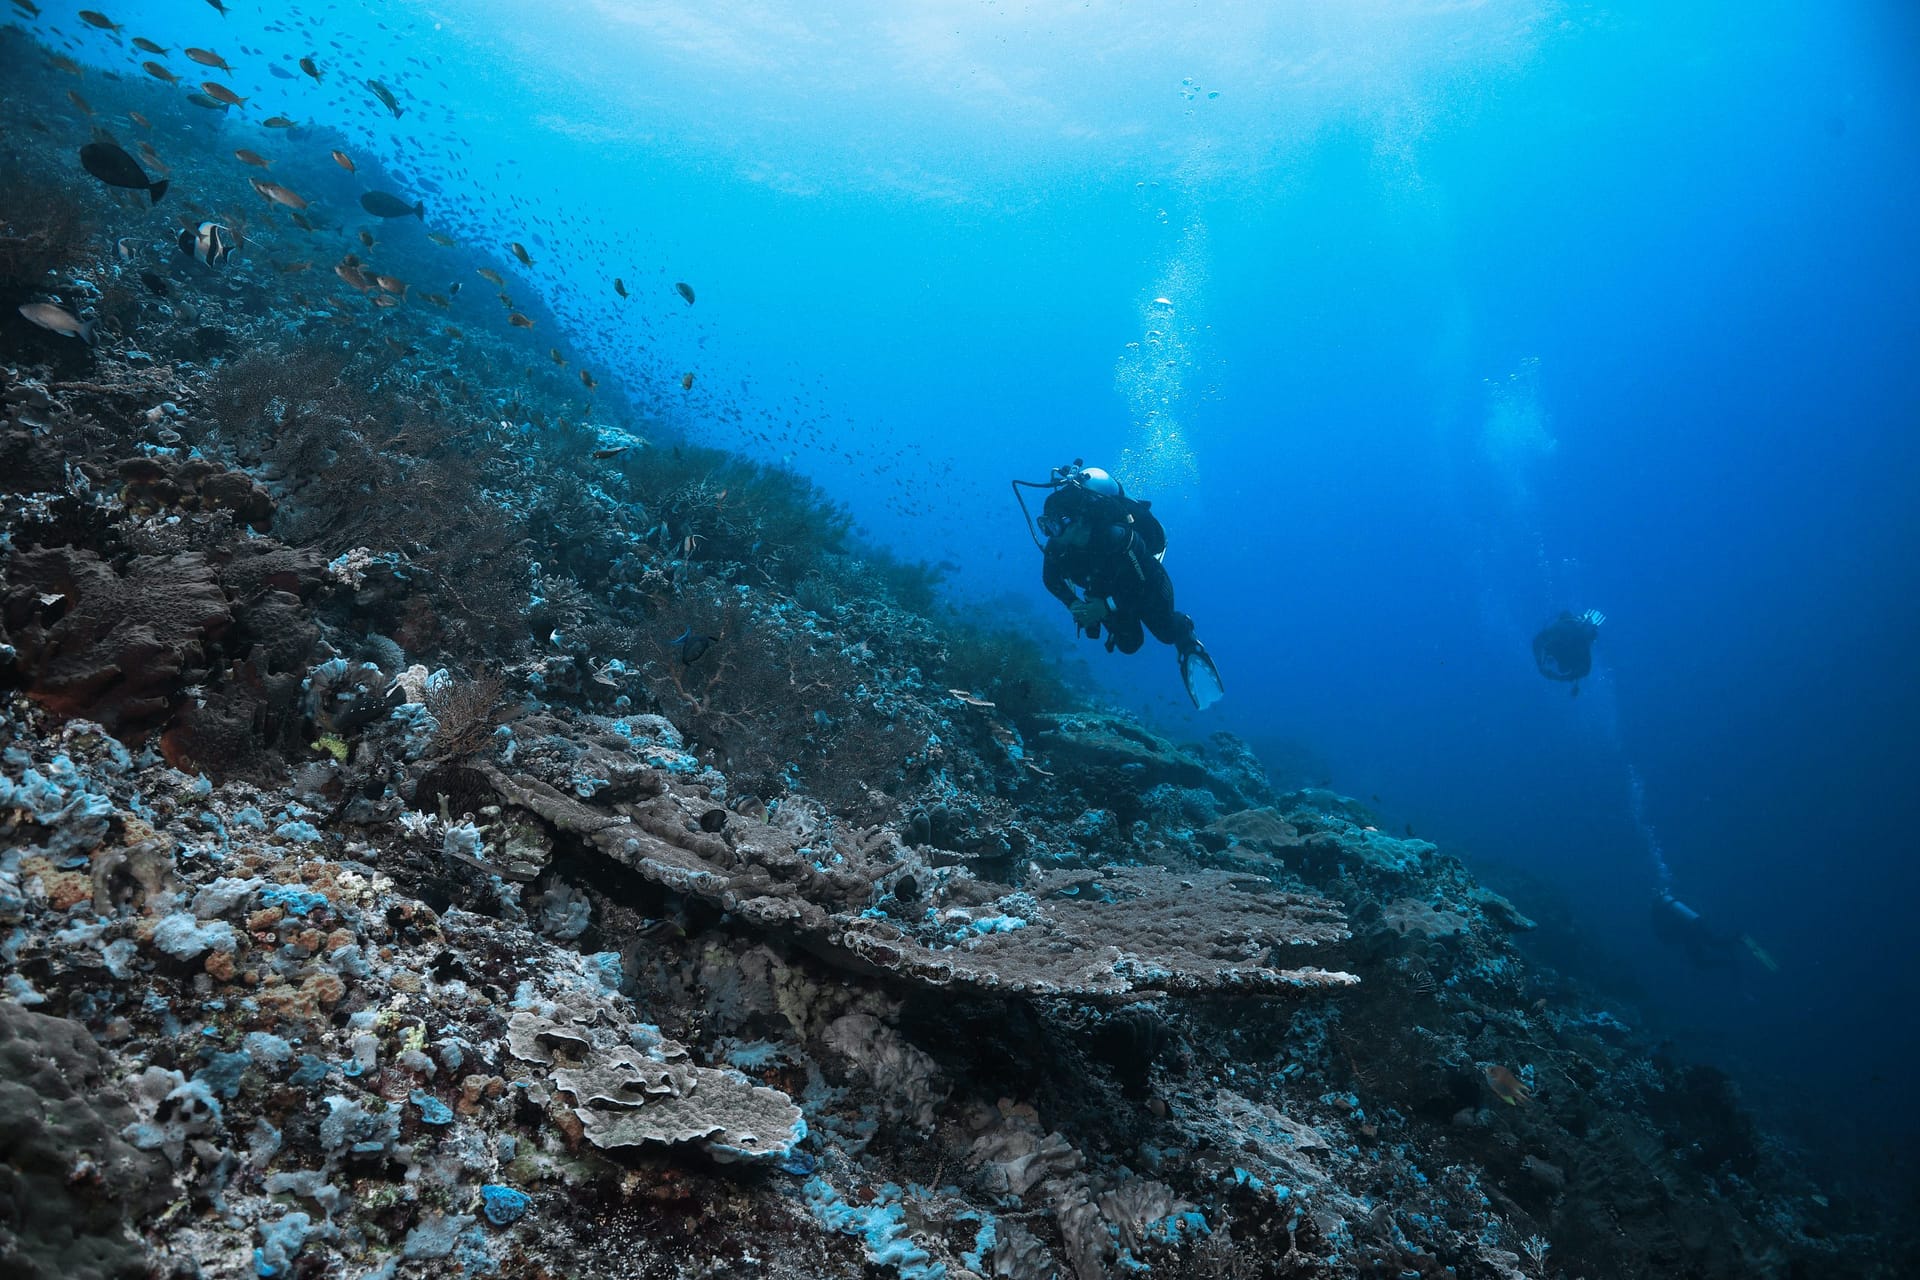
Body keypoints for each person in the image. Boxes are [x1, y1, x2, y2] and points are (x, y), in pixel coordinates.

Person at [1013, 461, 1223, 709]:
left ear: (1079, 521)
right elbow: (1050, 580)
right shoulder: (1057, 548)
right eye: (1047, 524)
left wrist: (1105, 606)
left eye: (1057, 523)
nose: (1051, 531)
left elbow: (1143, 584)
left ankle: (1187, 639)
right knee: (1129, 644)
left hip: (1148, 586)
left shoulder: (1118, 538)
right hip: (1108, 593)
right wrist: (1073, 604)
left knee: (1166, 632)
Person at [1650, 888, 1779, 972]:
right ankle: (1737, 944)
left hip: (1691, 931)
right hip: (1696, 924)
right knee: (1713, 945)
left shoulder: (1659, 912)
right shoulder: (1670, 905)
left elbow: (1668, 932)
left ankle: (1733, 954)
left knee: (1703, 959)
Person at [1532, 608, 1605, 696]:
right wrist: (1563, 678)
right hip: (1569, 657)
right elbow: (1585, 669)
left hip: (1566, 653)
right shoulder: (1579, 639)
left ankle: (1588, 621)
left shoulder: (1560, 628)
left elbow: (1537, 641)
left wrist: (1540, 664)